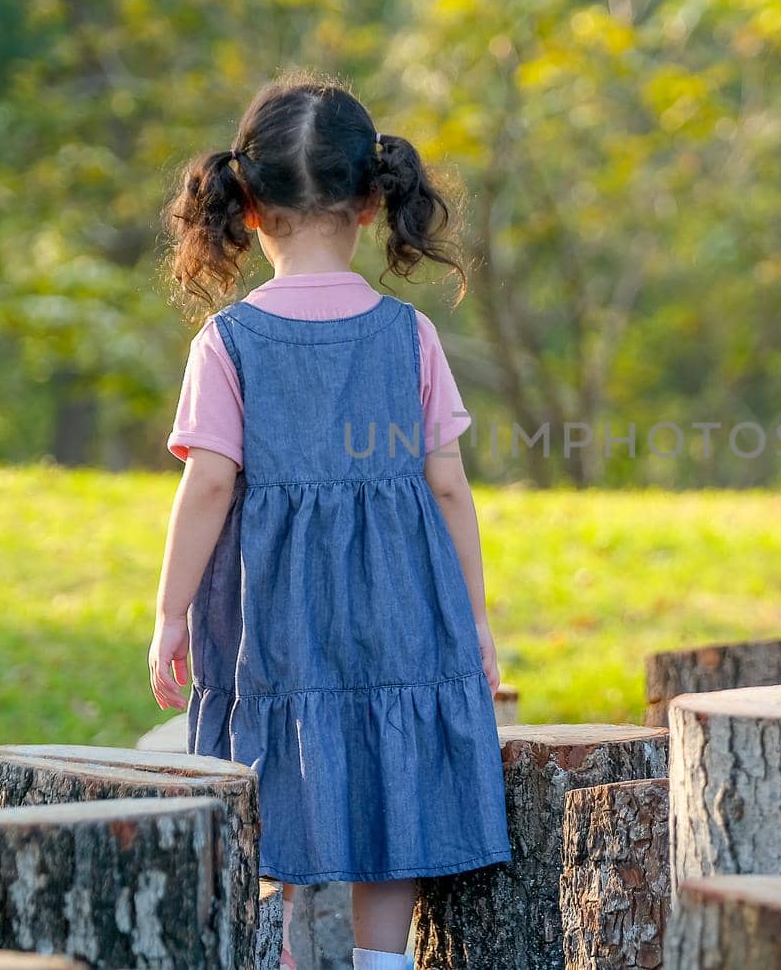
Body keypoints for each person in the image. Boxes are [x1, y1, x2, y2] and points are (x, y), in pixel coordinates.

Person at [148, 72, 511, 970]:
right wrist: (473, 615)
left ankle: (291, 951)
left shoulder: (226, 342)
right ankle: (382, 960)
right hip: (401, 606)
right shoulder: (408, 335)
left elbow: (209, 486)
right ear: (369, 202)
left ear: (251, 210)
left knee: (282, 767)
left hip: (277, 617)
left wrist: (171, 609)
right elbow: (451, 486)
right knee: (390, 776)